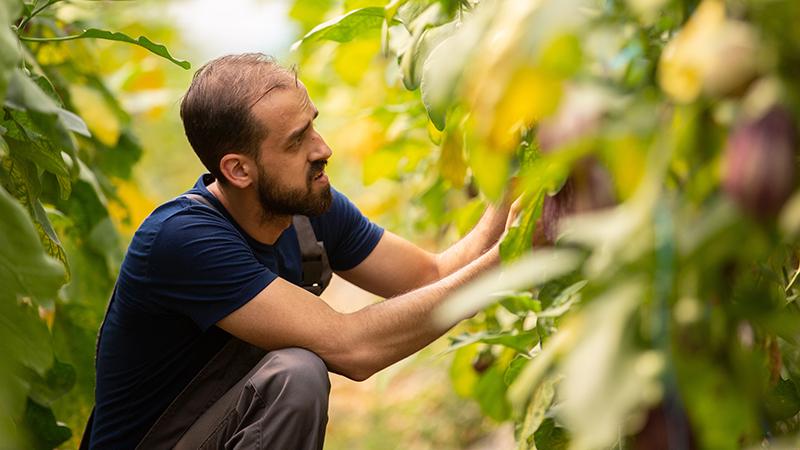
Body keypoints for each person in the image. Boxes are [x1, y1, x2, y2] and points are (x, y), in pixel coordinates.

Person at [86, 53, 514, 449]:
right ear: (238, 169)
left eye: (313, 124)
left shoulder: (307, 206)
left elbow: (433, 276)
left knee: (295, 370)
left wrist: (519, 187)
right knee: (297, 374)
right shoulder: (182, 238)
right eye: (296, 141)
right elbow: (353, 349)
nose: (322, 148)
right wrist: (510, 256)